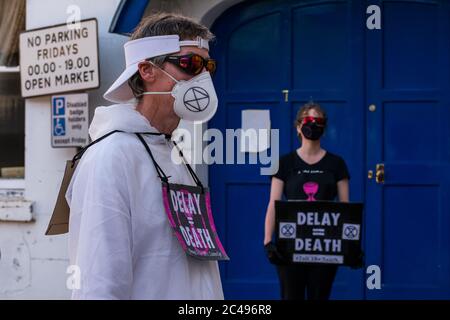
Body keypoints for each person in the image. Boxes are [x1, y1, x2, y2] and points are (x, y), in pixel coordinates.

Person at [66, 13, 224, 299]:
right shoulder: (110, 156)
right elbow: (98, 281)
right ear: (147, 71)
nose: (202, 78)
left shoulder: (172, 152)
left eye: (208, 67)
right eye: (190, 65)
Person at [263, 102, 350, 300]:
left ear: (324, 127)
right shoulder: (284, 163)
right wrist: (268, 241)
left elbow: (346, 208)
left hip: (325, 245)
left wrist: (349, 245)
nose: (313, 125)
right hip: (290, 243)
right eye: (309, 121)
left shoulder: (337, 164)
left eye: (319, 121)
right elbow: (273, 204)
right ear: (298, 126)